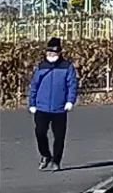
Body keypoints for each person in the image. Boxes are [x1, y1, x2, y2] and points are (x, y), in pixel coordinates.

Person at [28, 37, 78, 172]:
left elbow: (72, 85)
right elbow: (34, 86)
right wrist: (31, 103)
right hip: (41, 107)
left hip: (60, 108)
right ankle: (45, 155)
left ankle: (56, 161)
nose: (51, 56)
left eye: (54, 54)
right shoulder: (41, 67)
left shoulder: (67, 67)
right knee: (40, 133)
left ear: (60, 53)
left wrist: (70, 101)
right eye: (49, 53)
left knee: (59, 136)